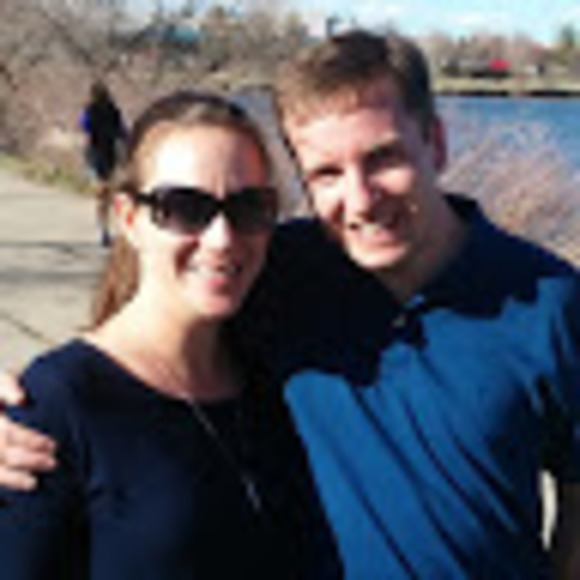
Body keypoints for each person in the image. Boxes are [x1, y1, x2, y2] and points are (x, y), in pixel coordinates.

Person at [1, 30, 579, 578]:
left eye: (384, 157)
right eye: (326, 173)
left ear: (436, 142)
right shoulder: (281, 270)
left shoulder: (550, 302)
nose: (360, 199)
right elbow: (144, 339)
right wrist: (26, 403)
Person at [0, 90, 339, 578]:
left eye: (248, 207)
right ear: (129, 219)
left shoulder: (281, 374)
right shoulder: (56, 407)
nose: (222, 238)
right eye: (184, 207)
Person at [80, 81, 126, 246]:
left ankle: (105, 229)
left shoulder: (91, 110)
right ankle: (107, 229)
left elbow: (84, 128)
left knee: (103, 194)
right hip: (107, 154)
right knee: (108, 193)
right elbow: (123, 132)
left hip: (97, 154)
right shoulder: (112, 110)